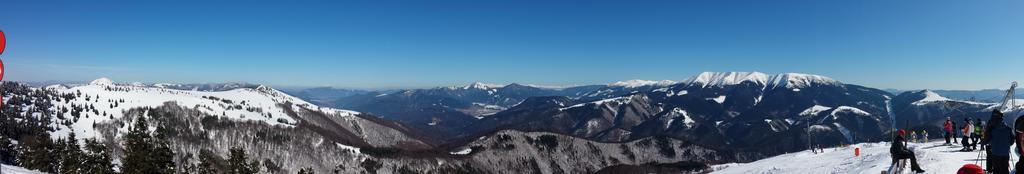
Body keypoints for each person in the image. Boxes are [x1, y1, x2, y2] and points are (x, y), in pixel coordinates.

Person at [982, 110, 1012, 174]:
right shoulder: (1008, 128)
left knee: (996, 170)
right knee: (1005, 169)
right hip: (1005, 153)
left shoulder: (991, 128)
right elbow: (1011, 141)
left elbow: (986, 140)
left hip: (995, 153)